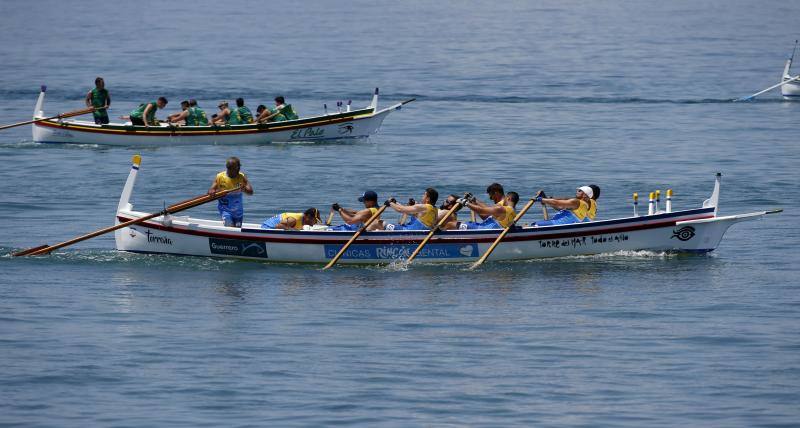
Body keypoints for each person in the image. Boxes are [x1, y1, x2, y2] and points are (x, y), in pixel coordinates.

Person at [208, 157, 254, 227]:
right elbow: (211, 190)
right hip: (225, 210)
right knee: (230, 227)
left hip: (238, 211)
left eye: (239, 167)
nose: (239, 169)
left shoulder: (242, 177)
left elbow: (250, 192)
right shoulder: (220, 177)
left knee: (237, 230)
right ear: (229, 168)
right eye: (237, 168)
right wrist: (212, 191)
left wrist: (244, 188)